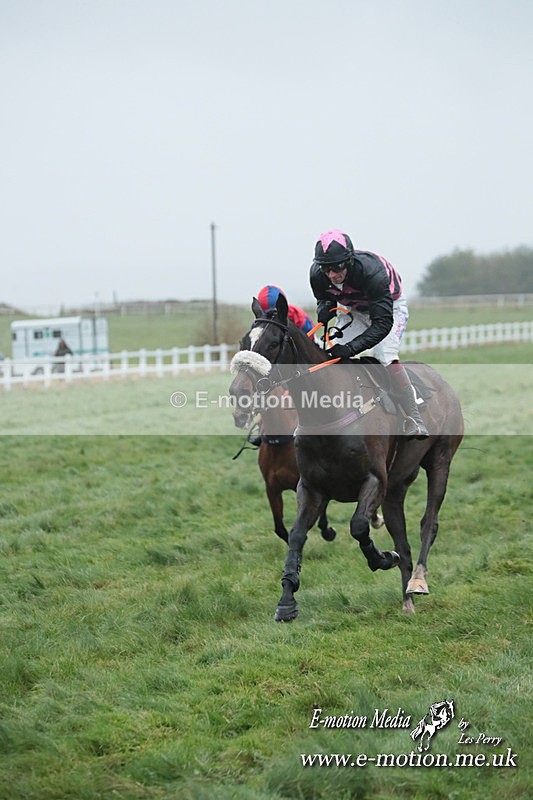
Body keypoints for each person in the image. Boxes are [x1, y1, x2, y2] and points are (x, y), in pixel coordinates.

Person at [310, 229, 428, 439]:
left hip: (389, 310)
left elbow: (381, 325)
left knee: (384, 355)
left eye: (337, 267)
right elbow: (325, 298)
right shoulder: (317, 275)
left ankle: (413, 417)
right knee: (329, 356)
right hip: (354, 310)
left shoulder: (372, 272)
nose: (332, 274)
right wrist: (324, 309)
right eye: (326, 269)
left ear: (349, 260)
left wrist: (351, 348)